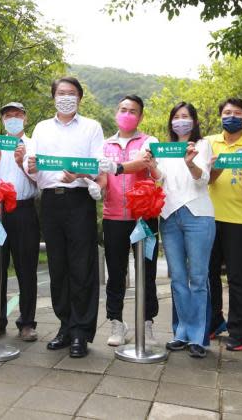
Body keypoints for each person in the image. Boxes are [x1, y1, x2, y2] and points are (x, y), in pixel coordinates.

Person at [25, 77, 104, 358]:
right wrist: (29, 164)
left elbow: (98, 166)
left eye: (71, 93)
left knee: (82, 267)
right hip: (49, 201)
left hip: (79, 200)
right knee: (57, 267)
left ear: (80, 97)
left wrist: (81, 174)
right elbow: (32, 168)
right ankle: (65, 326)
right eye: (61, 93)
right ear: (53, 97)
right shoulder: (42, 128)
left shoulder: (92, 127)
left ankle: (82, 332)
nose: (66, 97)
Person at [98, 95, 160, 347]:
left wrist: (118, 166)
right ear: (116, 112)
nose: (127, 114)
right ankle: (116, 322)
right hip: (113, 217)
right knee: (115, 273)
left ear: (141, 116)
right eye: (123, 109)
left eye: (133, 111)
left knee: (148, 271)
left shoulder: (149, 141)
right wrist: (97, 186)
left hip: (144, 218)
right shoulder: (104, 145)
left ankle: (146, 324)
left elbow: (145, 163)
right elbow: (102, 175)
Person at [155, 102, 215, 358]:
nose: (181, 121)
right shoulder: (164, 148)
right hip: (169, 216)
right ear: (171, 123)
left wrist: (190, 162)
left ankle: (199, 337)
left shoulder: (202, 145)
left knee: (199, 279)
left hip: (198, 215)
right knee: (178, 279)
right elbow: (160, 179)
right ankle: (181, 332)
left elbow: (203, 179)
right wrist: (150, 165)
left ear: (194, 121)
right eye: (177, 117)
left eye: (186, 117)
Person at [207, 97, 242, 351]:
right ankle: (213, 322)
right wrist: (216, 167)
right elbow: (202, 179)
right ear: (220, 116)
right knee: (208, 275)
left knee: (237, 277)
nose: (232, 116)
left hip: (239, 220)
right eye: (227, 112)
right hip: (207, 217)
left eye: (238, 113)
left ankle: (238, 331)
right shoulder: (208, 143)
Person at [0, 102, 41, 342]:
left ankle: (27, 323)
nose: (13, 119)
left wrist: (21, 162)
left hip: (25, 210)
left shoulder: (34, 145)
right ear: (2, 120)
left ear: (25, 119)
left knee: (26, 269)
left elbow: (41, 182)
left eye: (18, 115)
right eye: (8, 116)